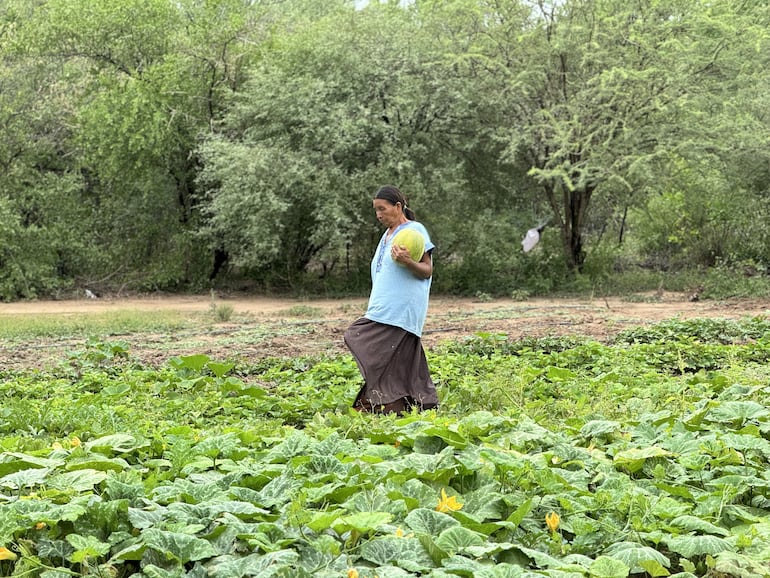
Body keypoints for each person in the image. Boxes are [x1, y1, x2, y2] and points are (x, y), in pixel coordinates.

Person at [344, 185, 439, 414]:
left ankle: (380, 401)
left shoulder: (414, 230)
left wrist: (408, 262)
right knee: (397, 360)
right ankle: (394, 404)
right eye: (376, 210)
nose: (378, 215)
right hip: (383, 307)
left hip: (400, 309)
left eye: (382, 209)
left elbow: (427, 270)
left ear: (398, 206)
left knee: (357, 336)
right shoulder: (387, 235)